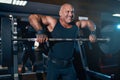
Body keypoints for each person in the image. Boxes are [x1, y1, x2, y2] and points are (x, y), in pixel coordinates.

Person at [28, 3, 96, 80]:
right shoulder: (53, 23)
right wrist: (40, 32)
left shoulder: (76, 24)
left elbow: (90, 23)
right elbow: (32, 17)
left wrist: (93, 33)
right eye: (67, 11)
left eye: (72, 12)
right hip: (53, 66)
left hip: (69, 66)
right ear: (60, 13)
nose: (70, 14)